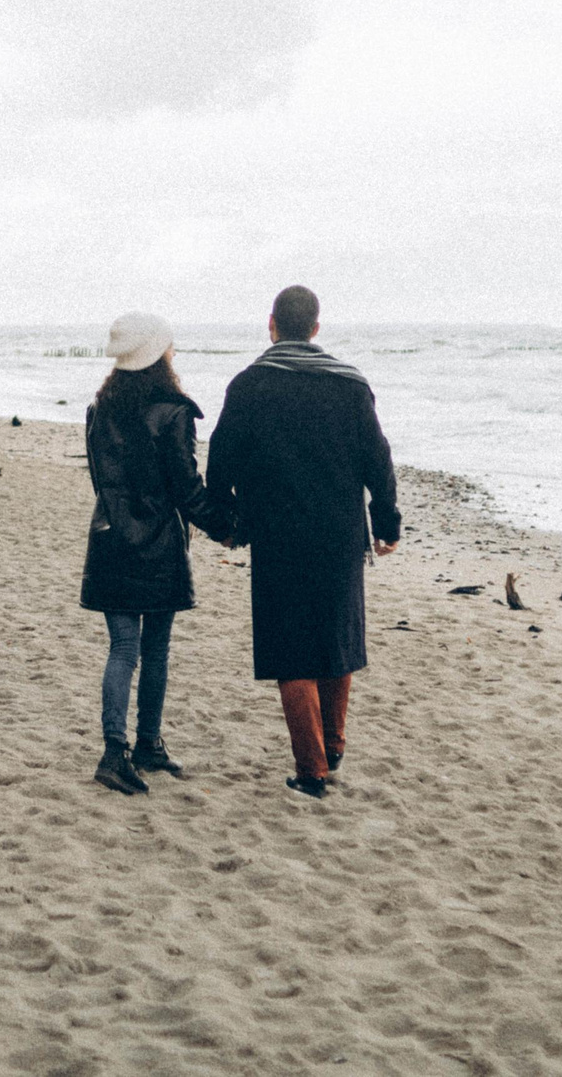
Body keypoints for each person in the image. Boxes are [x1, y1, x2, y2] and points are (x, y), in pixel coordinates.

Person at [203, 284, 398, 798]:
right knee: (336, 639)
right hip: (338, 534)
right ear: (316, 327)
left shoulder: (249, 385)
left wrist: (225, 519)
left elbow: (220, 459)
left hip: (277, 532)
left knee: (291, 650)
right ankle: (331, 747)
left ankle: (312, 770)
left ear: (271, 324)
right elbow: (378, 460)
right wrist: (387, 523)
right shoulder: (350, 386)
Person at [78, 311, 214, 796]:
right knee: (152, 649)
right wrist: (227, 523)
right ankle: (142, 745)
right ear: (159, 354)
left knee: (123, 649)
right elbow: (187, 488)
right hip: (157, 544)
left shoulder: (99, 409)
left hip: (111, 538)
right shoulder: (173, 411)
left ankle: (123, 750)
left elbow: (102, 480)